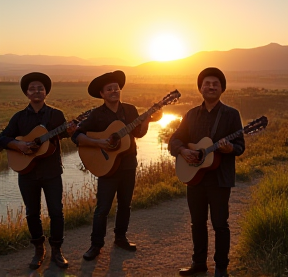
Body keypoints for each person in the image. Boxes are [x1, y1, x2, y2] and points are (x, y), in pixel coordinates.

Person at [72, 70, 161, 261]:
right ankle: (96, 245)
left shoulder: (130, 110)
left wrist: (146, 122)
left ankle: (120, 238)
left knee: (125, 205)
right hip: (106, 166)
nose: (114, 91)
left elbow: (138, 134)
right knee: (102, 208)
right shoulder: (96, 115)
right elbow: (76, 135)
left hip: (128, 164)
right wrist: (99, 143)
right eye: (109, 89)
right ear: (102, 94)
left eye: (117, 88)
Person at [168, 68, 245, 277]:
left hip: (220, 179)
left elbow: (240, 146)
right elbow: (174, 140)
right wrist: (183, 151)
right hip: (194, 178)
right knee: (197, 223)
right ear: (200, 88)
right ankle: (198, 263)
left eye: (215, 84)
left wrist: (230, 148)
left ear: (222, 89)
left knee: (220, 224)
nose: (211, 87)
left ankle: (221, 267)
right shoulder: (191, 114)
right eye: (207, 83)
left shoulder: (231, 115)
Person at [0, 72, 75, 270]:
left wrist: (71, 130)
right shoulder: (19, 118)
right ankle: (38, 250)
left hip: (51, 172)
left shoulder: (56, 115)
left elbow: (66, 134)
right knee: (32, 213)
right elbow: (2, 138)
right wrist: (18, 145)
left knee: (56, 212)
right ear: (26, 93)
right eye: (32, 88)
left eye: (40, 88)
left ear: (46, 92)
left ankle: (57, 251)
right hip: (26, 173)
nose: (37, 91)